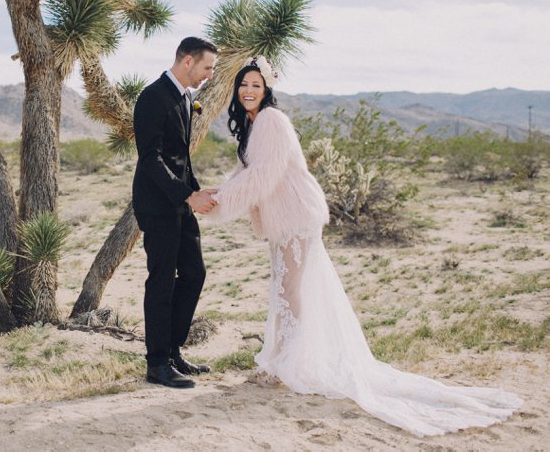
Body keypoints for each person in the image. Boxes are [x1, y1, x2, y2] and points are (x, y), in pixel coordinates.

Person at [207, 57, 522, 436]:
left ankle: (287, 364)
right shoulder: (254, 124)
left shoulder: (273, 120)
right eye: (244, 84)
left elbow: (262, 175)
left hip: (296, 218)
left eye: (256, 85)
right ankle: (281, 359)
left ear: (267, 90)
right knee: (283, 286)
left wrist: (219, 202)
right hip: (284, 219)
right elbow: (246, 173)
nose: (248, 91)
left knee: (288, 287)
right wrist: (216, 194)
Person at [132, 36, 219, 388]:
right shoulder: (153, 98)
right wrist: (187, 196)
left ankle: (172, 350)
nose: (209, 75)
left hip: (180, 202)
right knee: (162, 280)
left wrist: (196, 192)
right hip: (157, 204)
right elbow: (150, 159)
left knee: (195, 273)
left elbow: (179, 156)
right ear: (187, 61)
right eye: (207, 67)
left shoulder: (185, 99)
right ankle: (157, 364)